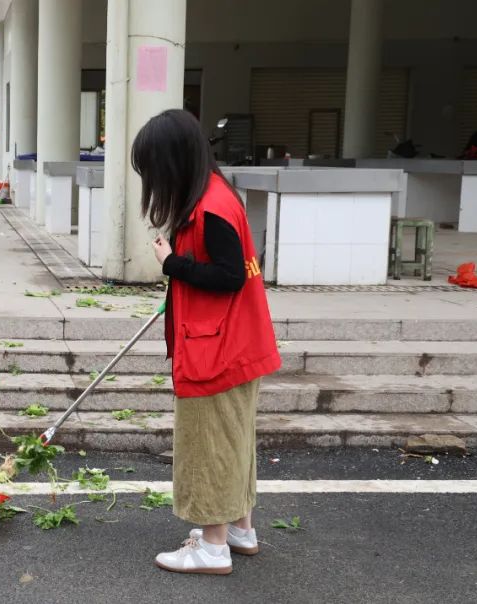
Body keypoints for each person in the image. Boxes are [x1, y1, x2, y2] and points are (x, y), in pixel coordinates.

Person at [131, 109, 281, 575]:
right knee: (234, 441)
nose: (154, 179)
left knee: (210, 444)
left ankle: (213, 548)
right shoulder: (217, 196)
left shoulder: (211, 207)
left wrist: (173, 263)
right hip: (237, 343)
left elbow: (229, 276)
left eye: (154, 168)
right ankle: (239, 529)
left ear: (174, 161)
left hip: (217, 350)